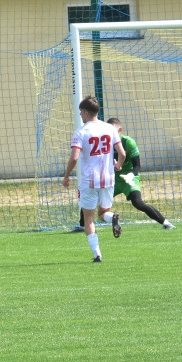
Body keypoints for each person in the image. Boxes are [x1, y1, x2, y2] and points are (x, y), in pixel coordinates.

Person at [62, 96, 125, 262]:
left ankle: (97, 254)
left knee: (88, 218)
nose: (80, 116)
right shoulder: (110, 129)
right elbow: (122, 153)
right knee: (104, 213)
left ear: (85, 112)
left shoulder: (81, 132)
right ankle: (113, 218)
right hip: (108, 179)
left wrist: (67, 175)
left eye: (81, 113)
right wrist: (118, 164)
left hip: (89, 181)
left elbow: (74, 158)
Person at [108, 118, 175, 231]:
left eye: (112, 131)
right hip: (112, 179)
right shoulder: (105, 144)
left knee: (138, 202)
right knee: (93, 198)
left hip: (128, 178)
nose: (110, 134)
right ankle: (82, 225)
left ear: (120, 130)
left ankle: (166, 223)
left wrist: (130, 175)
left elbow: (137, 166)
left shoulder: (128, 142)